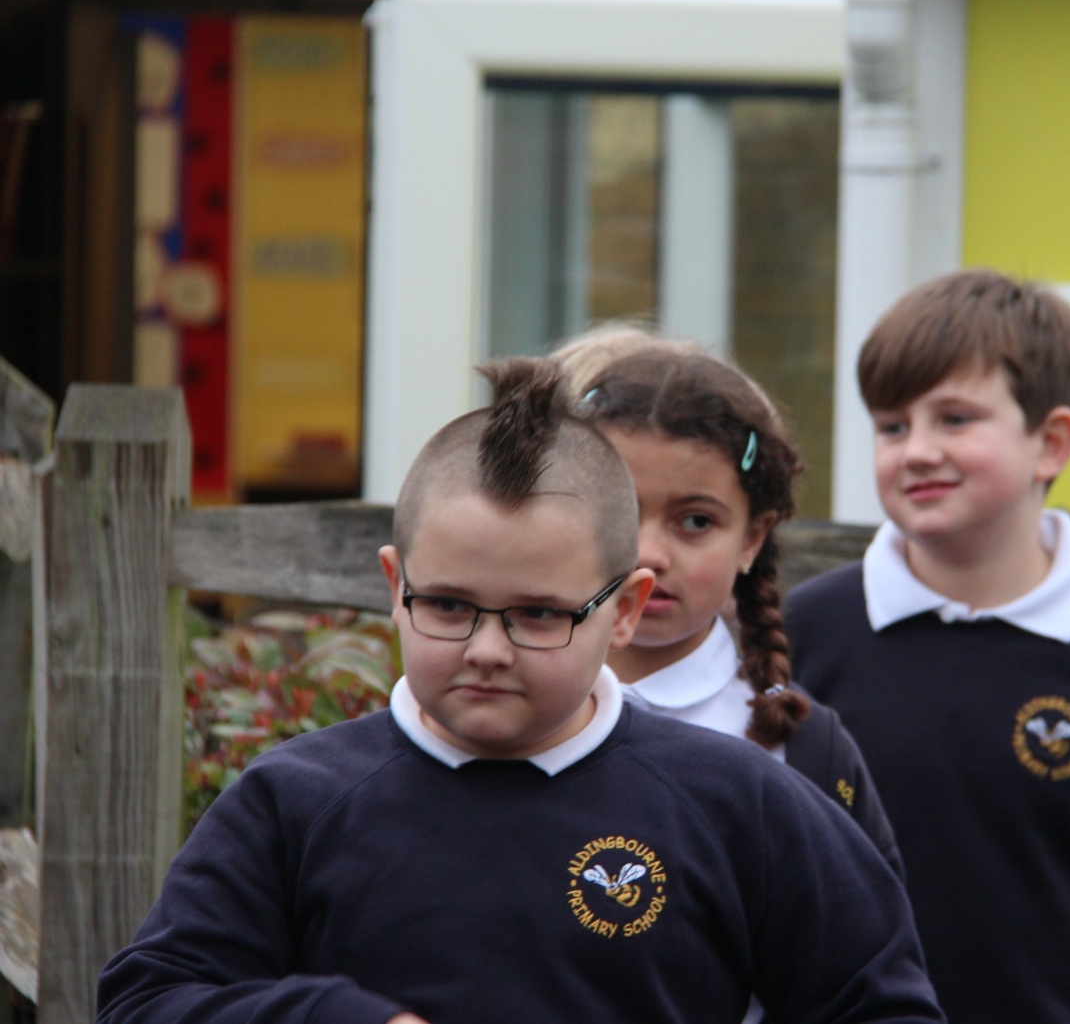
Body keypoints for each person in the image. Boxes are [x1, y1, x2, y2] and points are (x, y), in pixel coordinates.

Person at [97, 357, 944, 1024]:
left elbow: (881, 1005)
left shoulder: (741, 802)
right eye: (448, 606)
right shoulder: (293, 803)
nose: (488, 650)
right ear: (395, 586)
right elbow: (147, 1000)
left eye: (540, 615)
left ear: (624, 609)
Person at [784, 269, 1070, 1024]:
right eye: (891, 426)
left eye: (955, 419)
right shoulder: (806, 631)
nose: (916, 450)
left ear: (1050, 443)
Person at [553, 326, 901, 874]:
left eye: (695, 521)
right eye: (619, 511)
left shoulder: (805, 750)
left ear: (752, 538)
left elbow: (863, 923)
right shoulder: (494, 701)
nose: (649, 554)